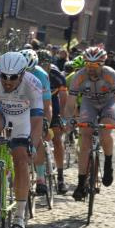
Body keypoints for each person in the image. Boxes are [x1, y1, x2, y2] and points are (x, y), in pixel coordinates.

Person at [63, 46, 115, 201]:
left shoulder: (110, 75)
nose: (91, 68)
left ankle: (108, 163)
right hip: (89, 103)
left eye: (95, 65)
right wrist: (68, 120)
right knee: (85, 140)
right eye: (88, 65)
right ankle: (81, 183)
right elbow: (70, 103)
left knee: (105, 132)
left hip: (109, 103)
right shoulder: (79, 76)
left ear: (102, 64)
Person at [0, 52, 44, 228]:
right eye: (4, 76)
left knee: (21, 159)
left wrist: (33, 144)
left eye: (13, 77)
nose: (7, 81)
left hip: (23, 119)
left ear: (22, 74)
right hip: (0, 114)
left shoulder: (33, 84)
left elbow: (37, 119)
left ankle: (19, 216)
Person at [19, 49, 53, 197]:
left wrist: (46, 122)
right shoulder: (11, 70)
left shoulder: (41, 75)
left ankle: (40, 178)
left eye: (29, 71)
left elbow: (47, 104)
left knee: (37, 139)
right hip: (18, 104)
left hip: (35, 105)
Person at [39, 50, 69, 194]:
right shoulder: (32, 73)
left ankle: (61, 178)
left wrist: (62, 117)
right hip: (36, 107)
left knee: (57, 139)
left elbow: (64, 97)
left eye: (45, 64)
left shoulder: (56, 75)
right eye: (40, 64)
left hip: (53, 107)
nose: (43, 67)